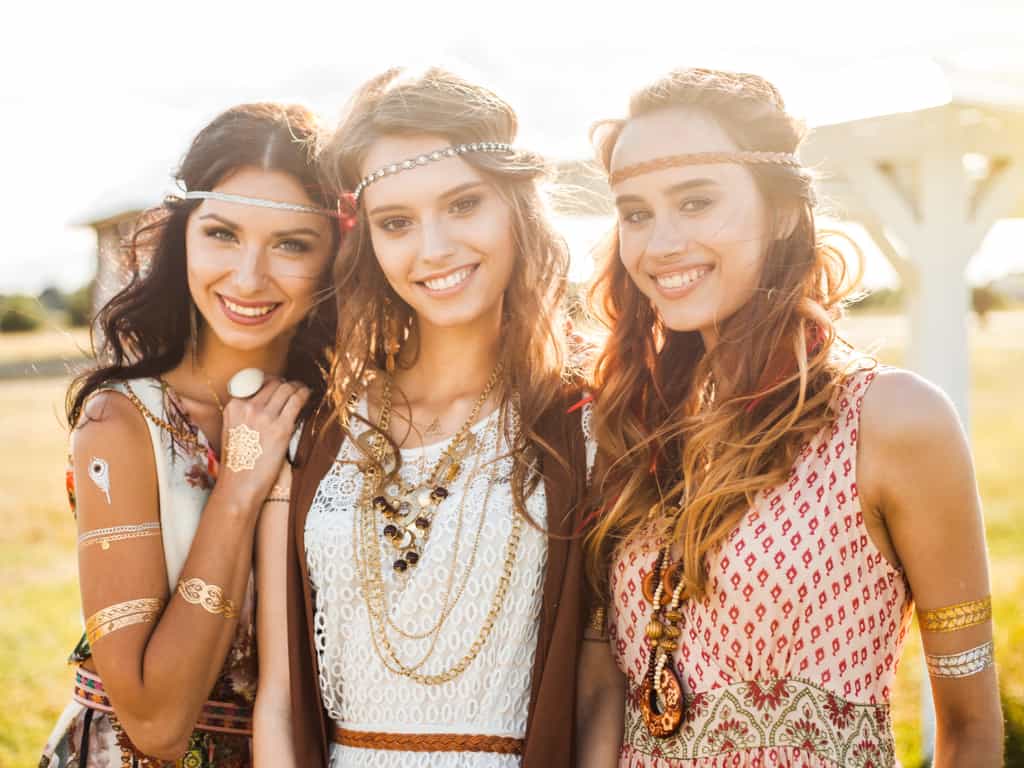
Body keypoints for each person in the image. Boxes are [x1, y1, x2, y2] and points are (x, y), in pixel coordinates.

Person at [578, 68, 1003, 767]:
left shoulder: (891, 421)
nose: (659, 245)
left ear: (780, 212)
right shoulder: (631, 429)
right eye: (636, 213)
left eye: (696, 201)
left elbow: (971, 730)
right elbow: (604, 701)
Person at [252, 67, 592, 768]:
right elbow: (281, 699)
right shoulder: (323, 433)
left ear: (517, 207)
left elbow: (599, 685)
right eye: (397, 222)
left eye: (464, 204)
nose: (433, 249)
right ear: (368, 239)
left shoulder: (582, 424)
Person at [40, 102, 340, 768]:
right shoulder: (122, 423)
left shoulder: (348, 419)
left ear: (334, 259)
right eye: (222, 234)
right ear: (183, 238)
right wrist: (237, 486)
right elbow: (155, 722)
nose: (248, 277)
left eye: (291, 243)